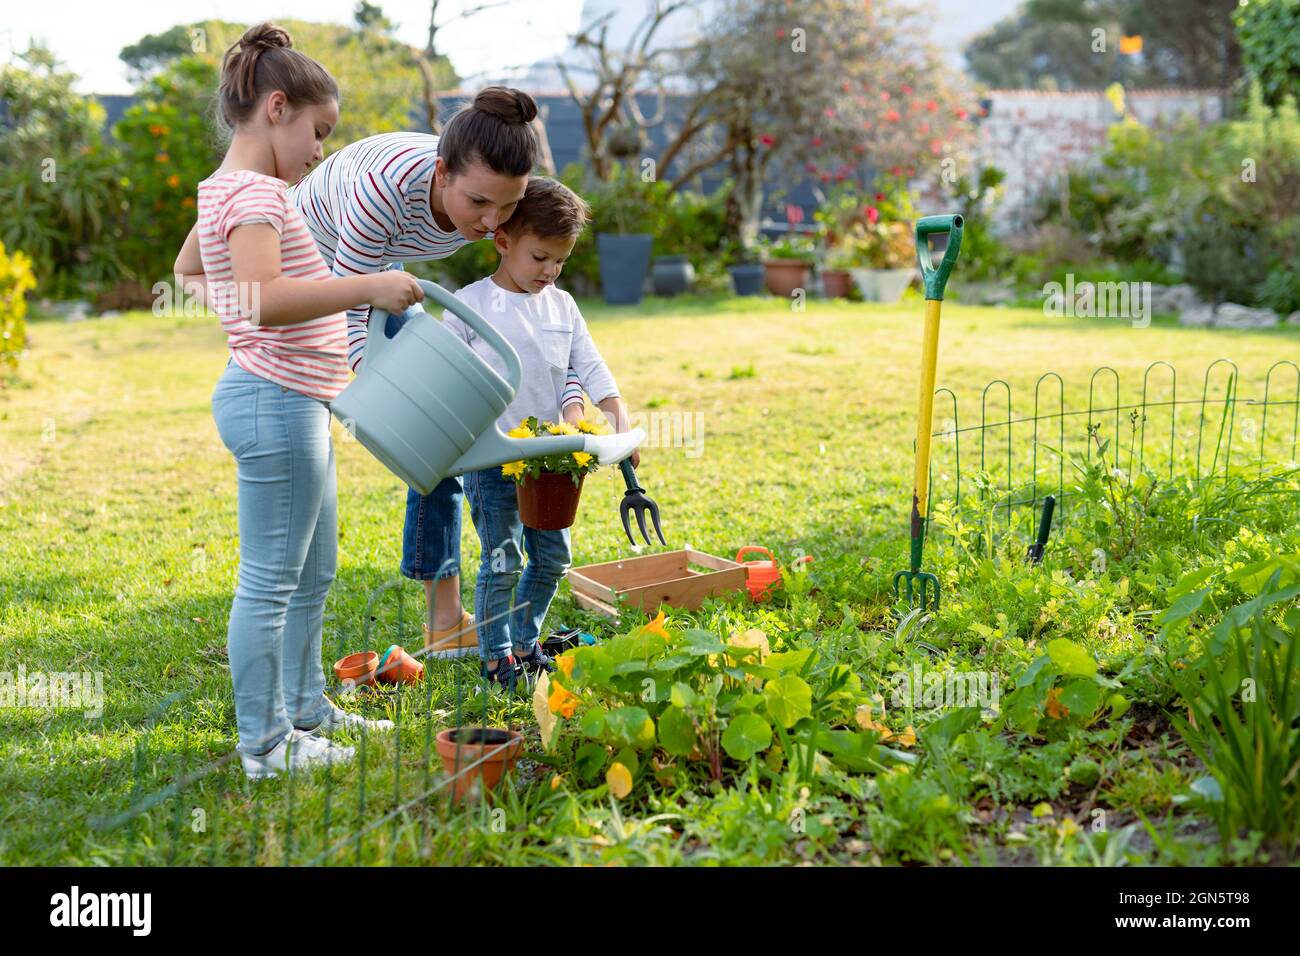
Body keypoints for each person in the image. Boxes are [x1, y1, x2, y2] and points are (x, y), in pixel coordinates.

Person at [173, 23, 424, 778]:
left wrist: (240, 308)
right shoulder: (253, 196)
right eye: (319, 132)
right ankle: (265, 746)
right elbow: (265, 301)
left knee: (313, 573)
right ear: (277, 108)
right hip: (275, 404)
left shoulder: (230, 189)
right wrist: (370, 285)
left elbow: (190, 269)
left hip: (292, 401)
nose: (320, 152)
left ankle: (308, 709)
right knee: (272, 581)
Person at [286, 90, 587, 660]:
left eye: (508, 205)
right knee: (429, 439)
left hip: (379, 265)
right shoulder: (384, 192)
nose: (493, 221)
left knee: (450, 434)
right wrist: (376, 385)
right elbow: (353, 300)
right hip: (305, 257)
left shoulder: (490, 190)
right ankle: (444, 619)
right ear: (443, 173)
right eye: (479, 203)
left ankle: (445, 621)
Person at [441, 177, 641, 691]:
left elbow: (589, 365)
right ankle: (496, 657)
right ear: (503, 241)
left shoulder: (563, 305)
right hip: (493, 458)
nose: (550, 271)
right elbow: (442, 380)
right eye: (540, 258)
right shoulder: (468, 307)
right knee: (502, 560)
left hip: (551, 460)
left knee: (552, 558)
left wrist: (618, 418)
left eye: (560, 261)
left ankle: (525, 643)